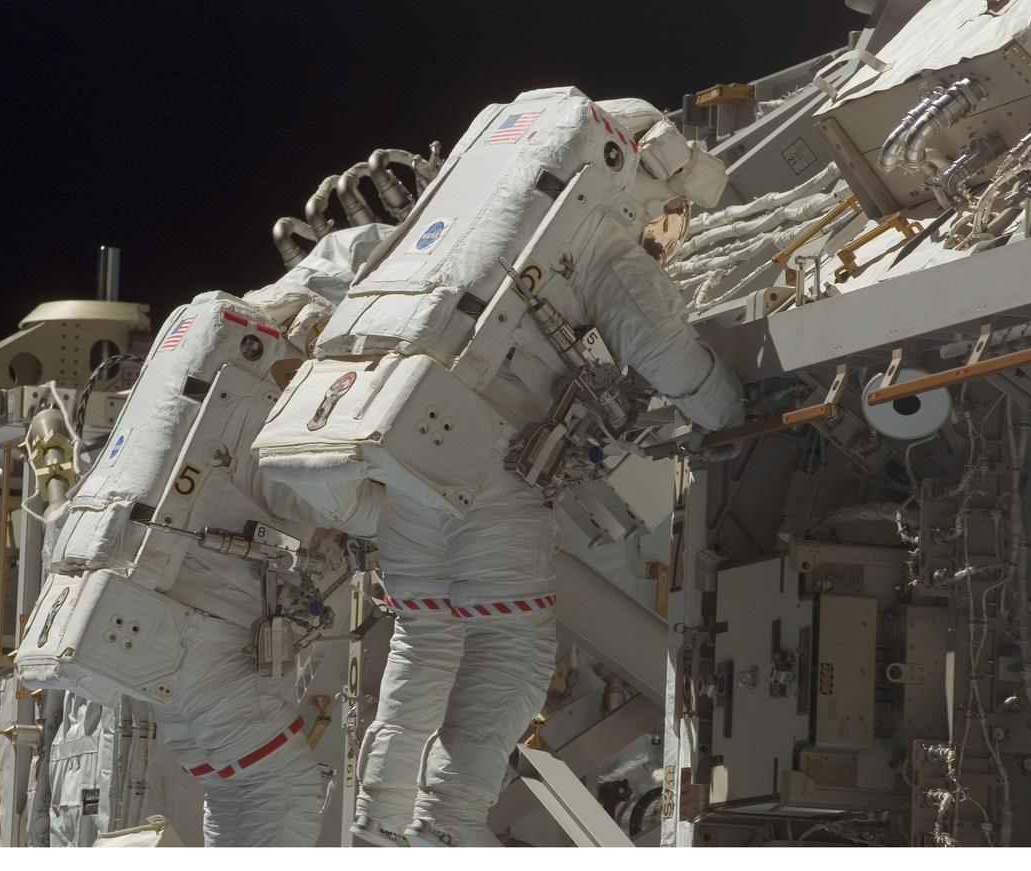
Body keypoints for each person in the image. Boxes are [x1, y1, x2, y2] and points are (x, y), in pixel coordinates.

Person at [254, 87, 744, 846]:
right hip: (474, 459)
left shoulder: (479, 216)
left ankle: (381, 812)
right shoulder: (595, 229)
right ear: (642, 173)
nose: (666, 232)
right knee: (515, 648)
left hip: (393, 436)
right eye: (670, 212)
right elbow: (674, 364)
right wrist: (738, 410)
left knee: (428, 632)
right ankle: (446, 820)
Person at [16, 224, 392, 846]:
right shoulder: (260, 399)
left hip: (141, 624)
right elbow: (336, 503)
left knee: (235, 779)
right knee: (284, 787)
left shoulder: (192, 380)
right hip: (193, 632)